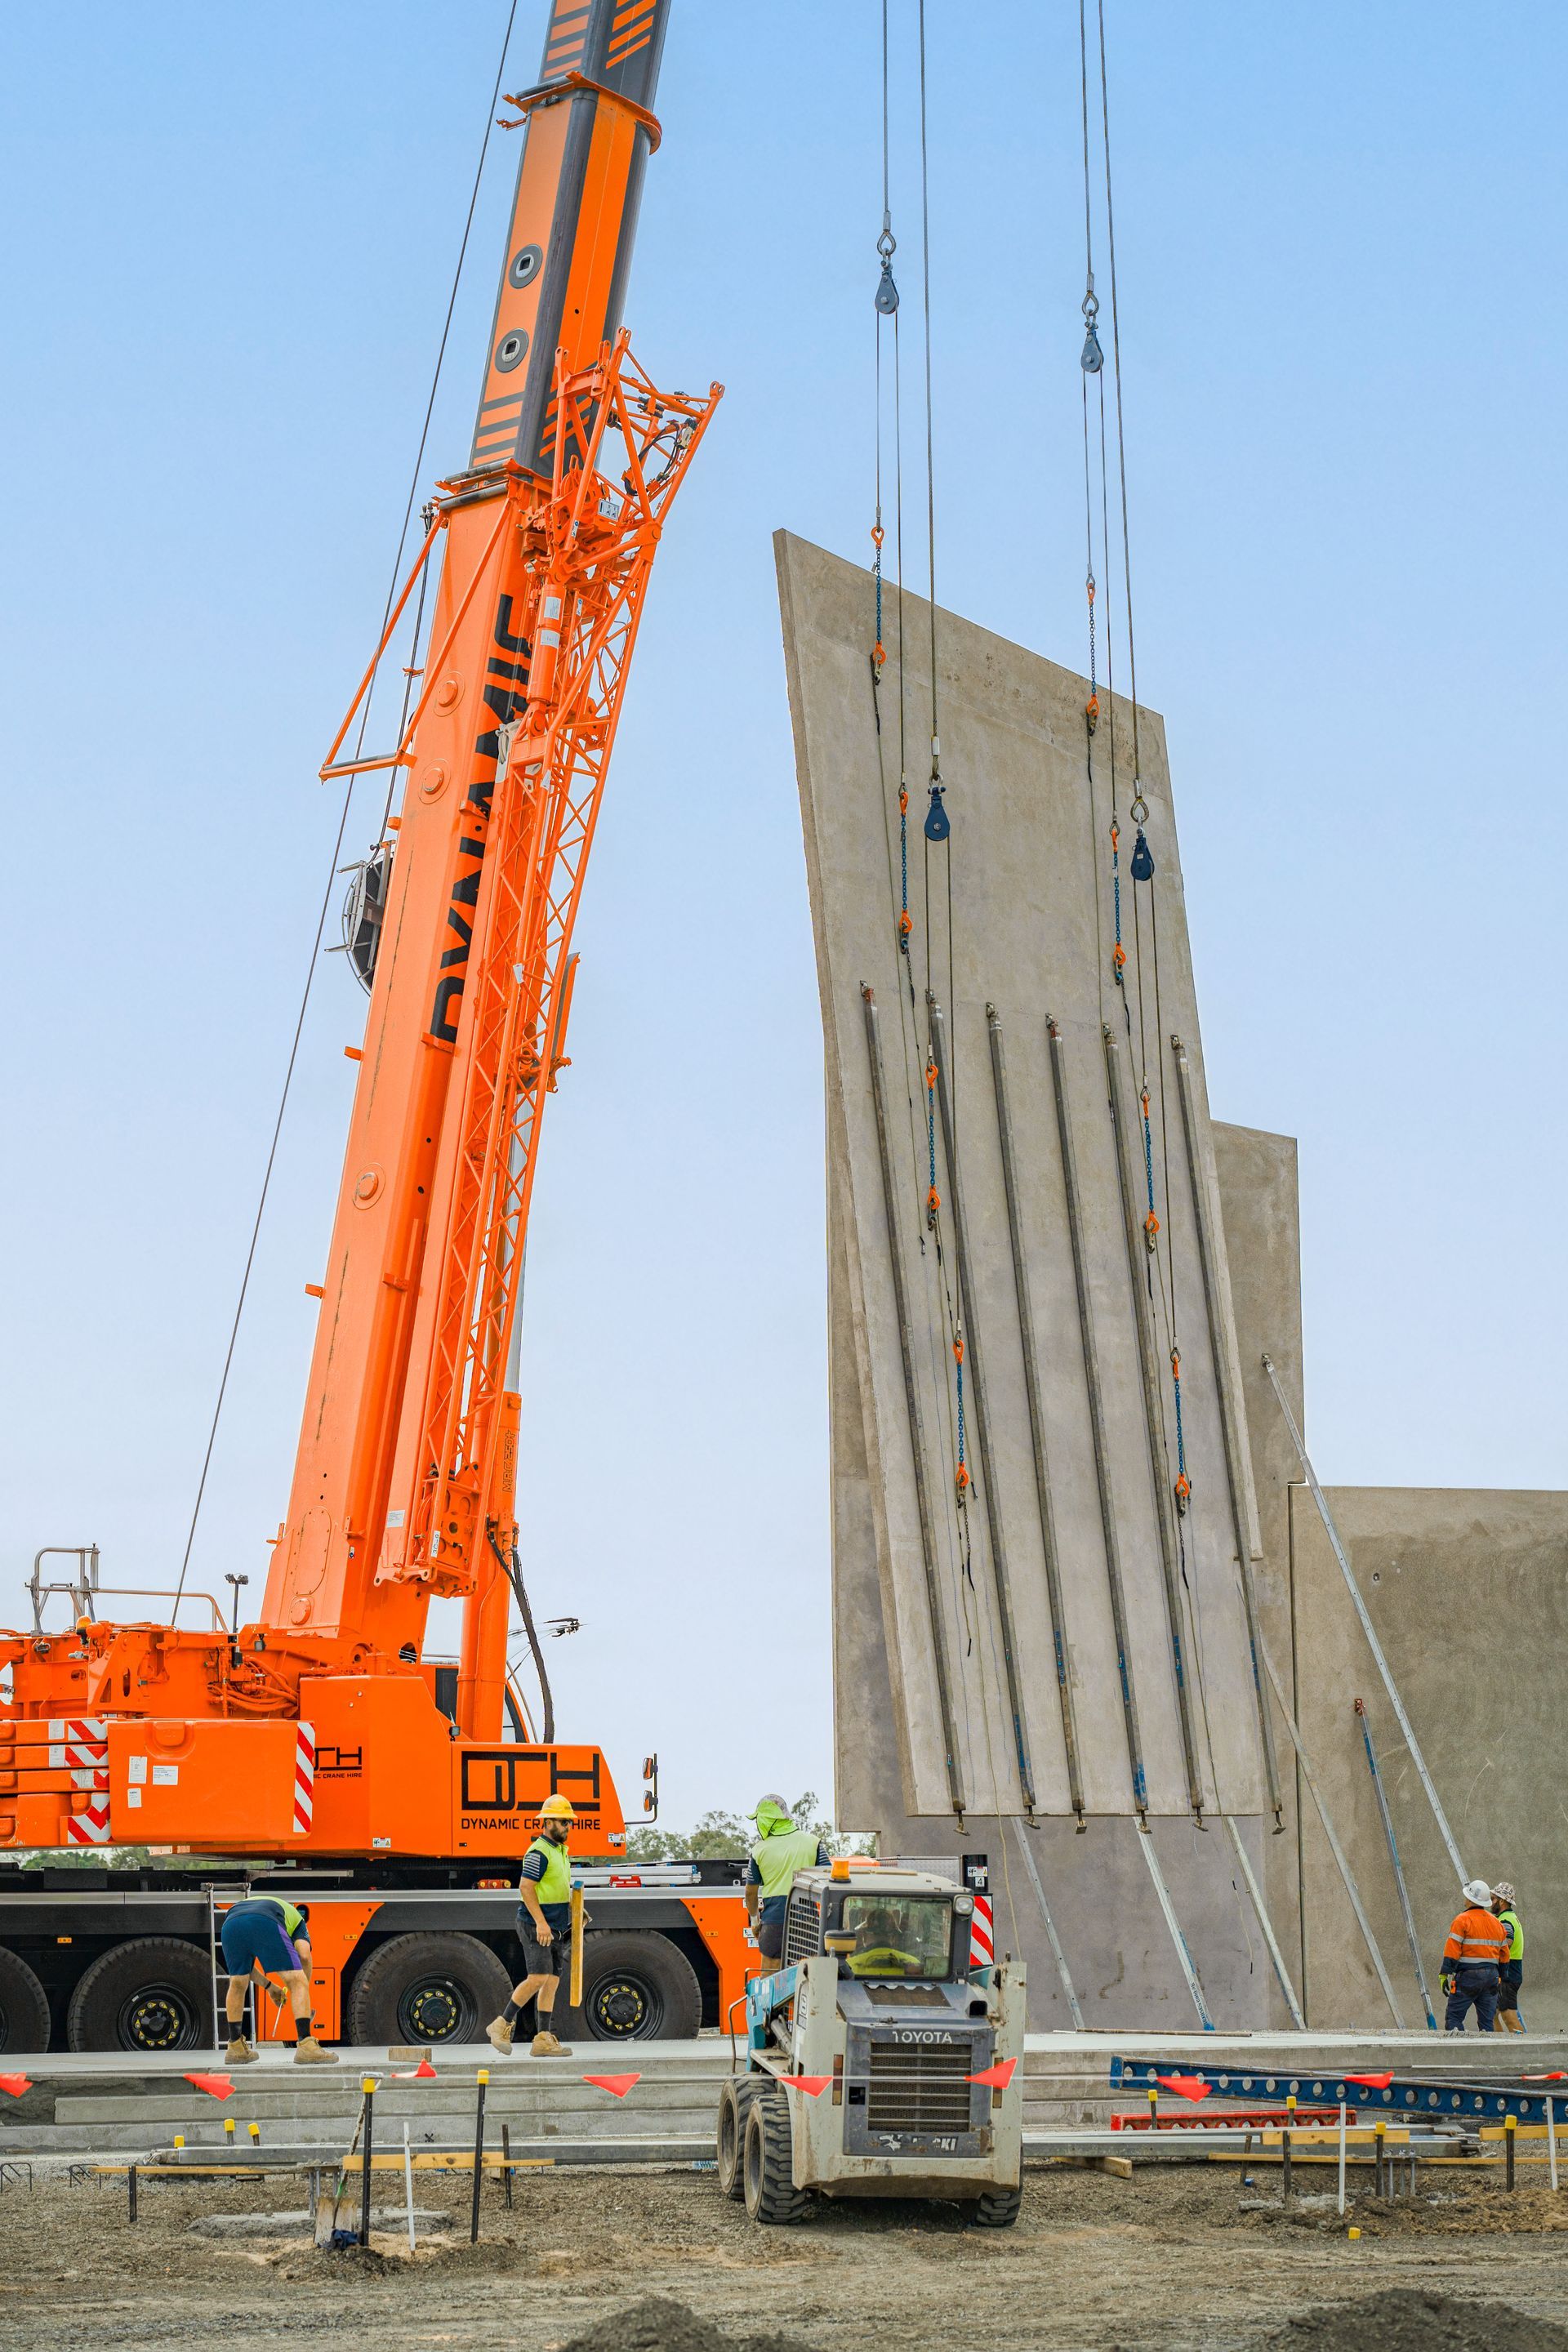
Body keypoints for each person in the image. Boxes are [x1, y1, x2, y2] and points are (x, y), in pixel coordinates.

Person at [487, 1793, 578, 2056]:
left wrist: (575, 1909)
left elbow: (556, 1887)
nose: (568, 1827)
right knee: (538, 1977)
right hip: (536, 1925)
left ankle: (542, 2039)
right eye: (563, 1822)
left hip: (554, 1926)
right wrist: (540, 1923)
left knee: (551, 1981)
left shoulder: (560, 1851)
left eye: (569, 1822)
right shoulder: (539, 1852)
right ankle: (501, 2024)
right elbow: (526, 1888)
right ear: (547, 1822)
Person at [220, 1895, 337, 2065]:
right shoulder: (298, 1921)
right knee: (297, 1980)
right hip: (265, 1921)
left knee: (238, 1981)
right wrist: (304, 1999)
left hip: (231, 1922)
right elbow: (305, 1956)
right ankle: (307, 2047)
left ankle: (235, 2048)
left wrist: (269, 1986)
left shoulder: (267, 1906)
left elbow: (247, 1968)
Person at [745, 1796, 828, 1962]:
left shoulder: (759, 1850)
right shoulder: (813, 1842)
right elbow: (829, 1879)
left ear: (765, 1820)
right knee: (811, 1972)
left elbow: (750, 1893)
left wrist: (755, 1922)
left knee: (770, 1973)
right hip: (807, 1919)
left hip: (774, 1920)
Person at [1440, 1878, 1510, 2033]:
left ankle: (1459, 2047)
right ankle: (1486, 2047)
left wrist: (1444, 1974)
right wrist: (1502, 1977)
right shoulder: (1497, 1923)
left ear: (1470, 1899)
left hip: (1468, 1977)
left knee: (1454, 2018)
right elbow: (1505, 1954)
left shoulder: (1462, 1920)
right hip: (1491, 1978)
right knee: (1487, 2023)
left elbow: (1452, 1949)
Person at [1491, 1882, 1526, 2034]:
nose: (1491, 1902)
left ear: (1501, 1901)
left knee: (1508, 2015)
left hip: (1508, 1974)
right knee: (1492, 2014)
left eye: (1493, 1899)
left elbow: (1507, 1942)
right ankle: (1498, 2044)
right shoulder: (1510, 1917)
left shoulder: (1505, 1920)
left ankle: (1525, 2046)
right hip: (1510, 1972)